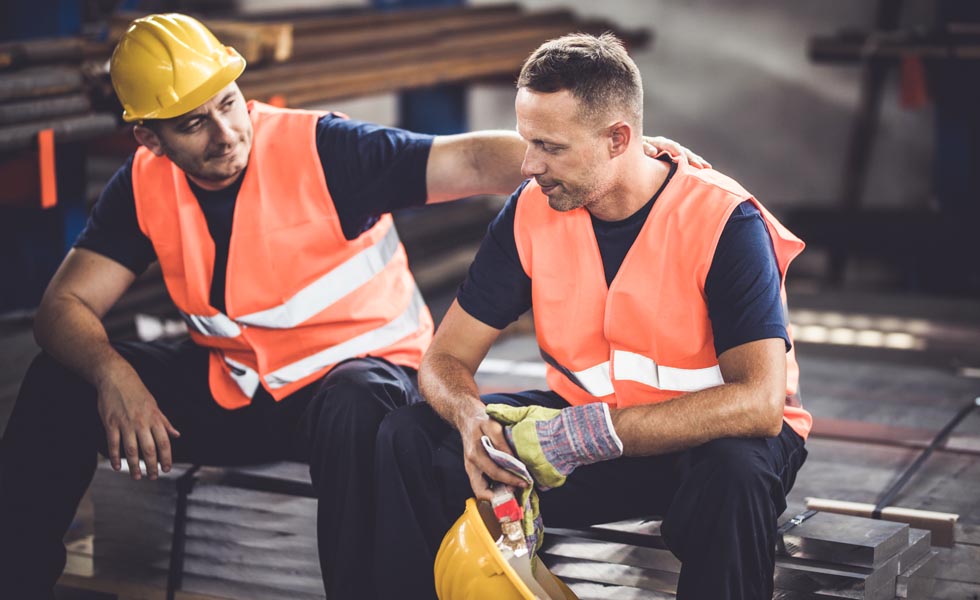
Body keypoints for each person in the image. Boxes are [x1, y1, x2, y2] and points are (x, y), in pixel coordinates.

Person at [0, 15, 702, 600]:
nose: (226, 133)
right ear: (149, 138)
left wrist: (619, 159)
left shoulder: (322, 149)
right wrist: (112, 376)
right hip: (239, 386)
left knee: (355, 405)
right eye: (193, 124)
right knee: (59, 381)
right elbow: (63, 305)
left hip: (362, 381)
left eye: (229, 103)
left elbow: (469, 161)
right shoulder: (143, 185)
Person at [374, 32, 812, 600]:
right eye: (526, 142)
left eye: (550, 147)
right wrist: (470, 421)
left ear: (618, 139)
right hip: (588, 441)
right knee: (409, 434)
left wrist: (586, 436)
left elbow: (759, 404)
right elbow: (445, 358)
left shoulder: (725, 222)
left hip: (707, 446)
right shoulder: (531, 211)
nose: (529, 165)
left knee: (736, 476)